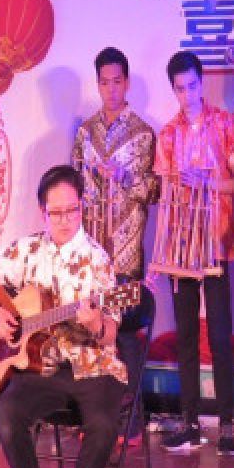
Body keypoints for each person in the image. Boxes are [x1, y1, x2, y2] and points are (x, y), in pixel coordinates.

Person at [0, 164, 125, 468]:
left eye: (72, 210)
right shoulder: (27, 249)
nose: (65, 220)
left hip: (90, 365)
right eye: (56, 212)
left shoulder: (98, 260)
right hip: (40, 367)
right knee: (8, 415)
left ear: (82, 208)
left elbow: (111, 331)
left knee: (105, 424)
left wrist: (96, 324)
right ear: (43, 212)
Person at [155, 51, 234, 456]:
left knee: (221, 334)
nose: (187, 94)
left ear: (201, 82)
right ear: (173, 89)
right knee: (186, 335)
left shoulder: (225, 123)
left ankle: (227, 422)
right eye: (179, 88)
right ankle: (189, 420)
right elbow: (162, 190)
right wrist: (179, 182)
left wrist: (206, 182)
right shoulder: (168, 133)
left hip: (215, 241)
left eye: (192, 85)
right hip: (180, 247)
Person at [71, 47, 158, 430]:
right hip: (90, 249)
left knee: (123, 333)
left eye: (117, 81)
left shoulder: (142, 134)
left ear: (127, 82)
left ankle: (132, 420)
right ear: (98, 85)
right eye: (104, 82)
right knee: (88, 330)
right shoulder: (85, 132)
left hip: (124, 249)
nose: (110, 89)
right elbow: (74, 187)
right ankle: (93, 418)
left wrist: (123, 178)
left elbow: (153, 191)